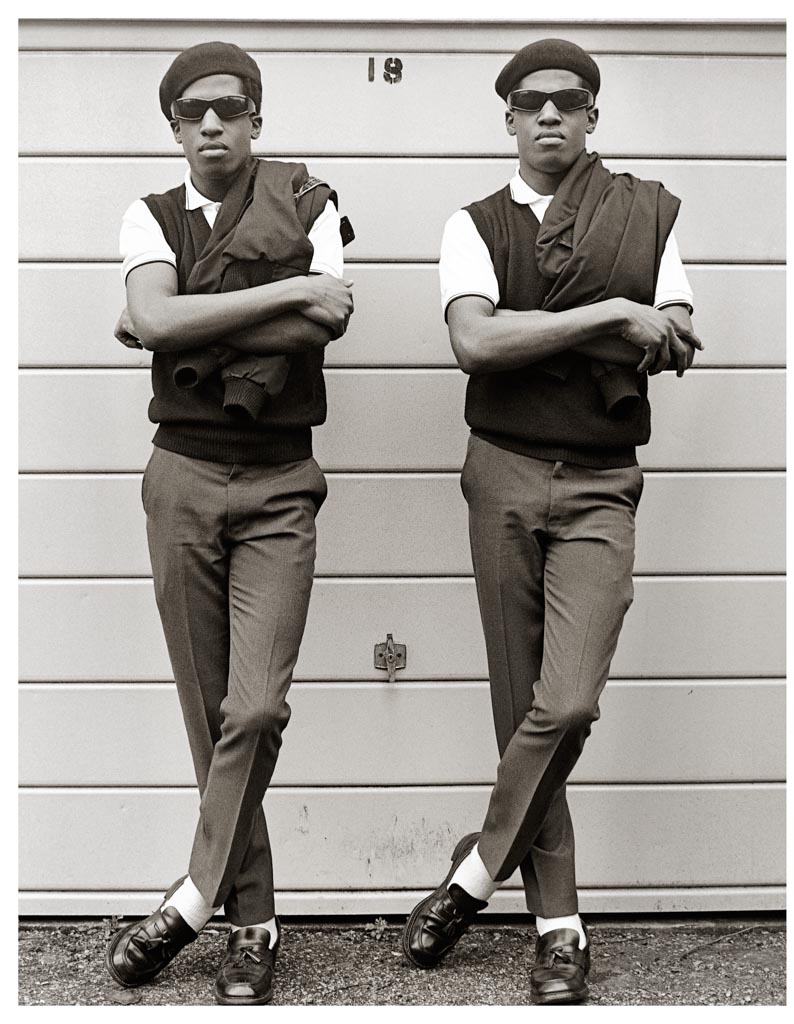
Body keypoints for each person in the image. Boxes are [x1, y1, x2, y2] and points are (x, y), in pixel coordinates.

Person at [401, 38, 702, 1005]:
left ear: (590, 117)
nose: (548, 116)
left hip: (601, 481)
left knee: (565, 703)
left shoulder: (641, 214)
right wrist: (610, 314)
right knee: (517, 698)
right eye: (529, 103)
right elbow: (475, 341)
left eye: (567, 102)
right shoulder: (475, 224)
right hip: (501, 469)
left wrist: (628, 326)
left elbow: (677, 331)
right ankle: (558, 926)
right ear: (508, 119)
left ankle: (474, 871)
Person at [104, 41, 353, 1006]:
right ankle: (254, 924)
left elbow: (323, 323)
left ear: (256, 118)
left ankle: (193, 896)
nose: (213, 125)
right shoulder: (151, 214)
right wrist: (286, 289)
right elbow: (161, 322)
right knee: (206, 715)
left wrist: (176, 315)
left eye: (231, 108)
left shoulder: (308, 202)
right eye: (193, 113)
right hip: (182, 477)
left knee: (254, 710)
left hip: (282, 481)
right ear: (174, 128)